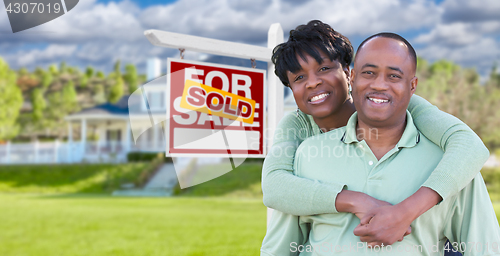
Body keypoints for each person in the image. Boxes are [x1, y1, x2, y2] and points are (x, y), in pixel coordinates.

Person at [261, 20, 490, 254]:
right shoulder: (299, 131)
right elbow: (275, 187)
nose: (313, 82)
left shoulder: (405, 105)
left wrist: (404, 213)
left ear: (347, 73)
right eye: (299, 78)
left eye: (323, 69)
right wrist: (355, 200)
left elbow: (469, 146)